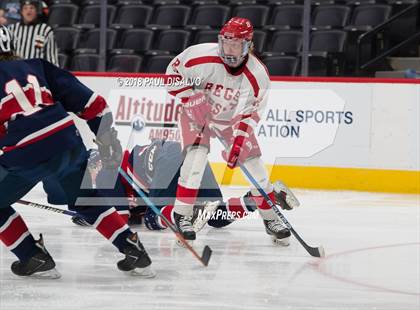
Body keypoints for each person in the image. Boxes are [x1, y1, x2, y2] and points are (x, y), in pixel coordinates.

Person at [0, 25, 154, 279]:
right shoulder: (37, 66)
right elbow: (90, 103)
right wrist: (106, 138)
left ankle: (32, 255)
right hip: (68, 142)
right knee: (85, 198)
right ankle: (132, 248)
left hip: (25, 152)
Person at [165, 17, 295, 244]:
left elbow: (250, 114)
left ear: (247, 45)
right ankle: (182, 215)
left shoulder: (257, 76)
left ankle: (269, 217)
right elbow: (172, 76)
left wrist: (238, 143)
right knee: (195, 162)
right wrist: (191, 99)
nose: (228, 49)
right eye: (225, 43)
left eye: (235, 44)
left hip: (231, 122)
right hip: (197, 116)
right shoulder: (201, 57)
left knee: (256, 169)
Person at [69, 139, 298, 240]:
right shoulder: (109, 166)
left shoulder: (105, 170)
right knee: (215, 215)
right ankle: (257, 199)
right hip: (189, 155)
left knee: (155, 216)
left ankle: (188, 214)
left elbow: (118, 217)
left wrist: (88, 216)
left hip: (164, 161)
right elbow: (129, 211)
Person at [8, 0, 58, 65]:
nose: (28, 11)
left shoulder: (45, 30)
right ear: (21, 12)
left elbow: (52, 58)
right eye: (25, 8)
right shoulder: (12, 29)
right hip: (16, 70)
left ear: (37, 11)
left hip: (36, 71)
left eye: (31, 8)